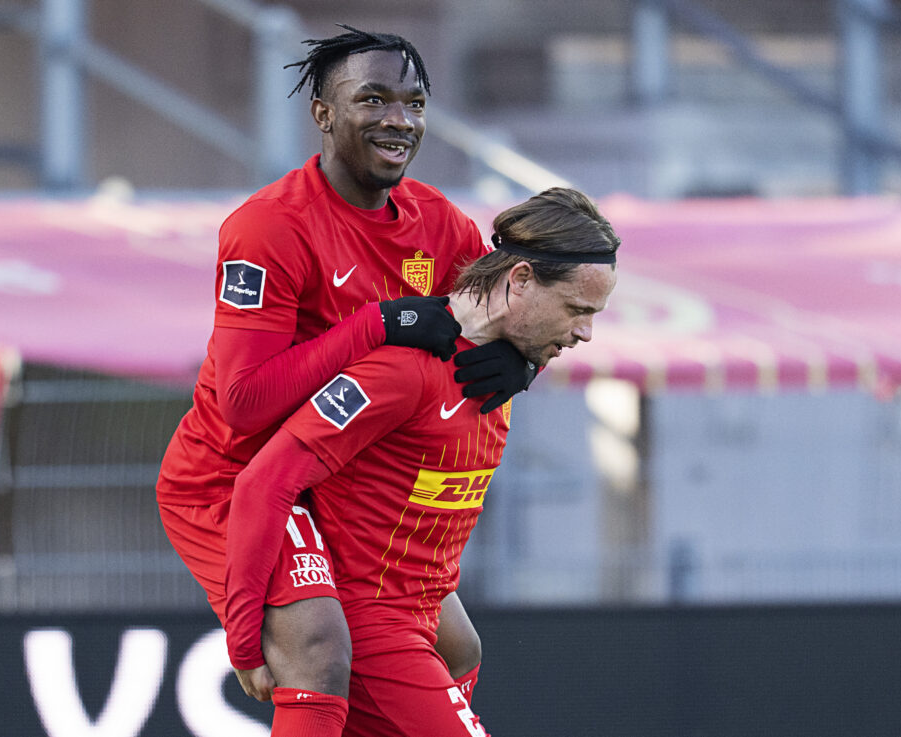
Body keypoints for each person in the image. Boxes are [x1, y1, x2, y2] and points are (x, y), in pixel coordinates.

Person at [155, 24, 536, 733]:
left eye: (415, 103)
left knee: (455, 648)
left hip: (338, 476)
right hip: (235, 477)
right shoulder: (270, 228)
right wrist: (375, 325)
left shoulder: (443, 227)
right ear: (323, 114)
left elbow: (510, 314)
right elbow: (242, 405)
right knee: (320, 647)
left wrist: (522, 361)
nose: (400, 120)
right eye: (374, 99)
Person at [226, 187, 621, 737]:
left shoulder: (498, 368)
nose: (585, 332)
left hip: (425, 619)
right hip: (377, 630)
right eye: (577, 310)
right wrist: (244, 639)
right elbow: (262, 483)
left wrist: (524, 370)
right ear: (522, 280)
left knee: (465, 652)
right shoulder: (403, 373)